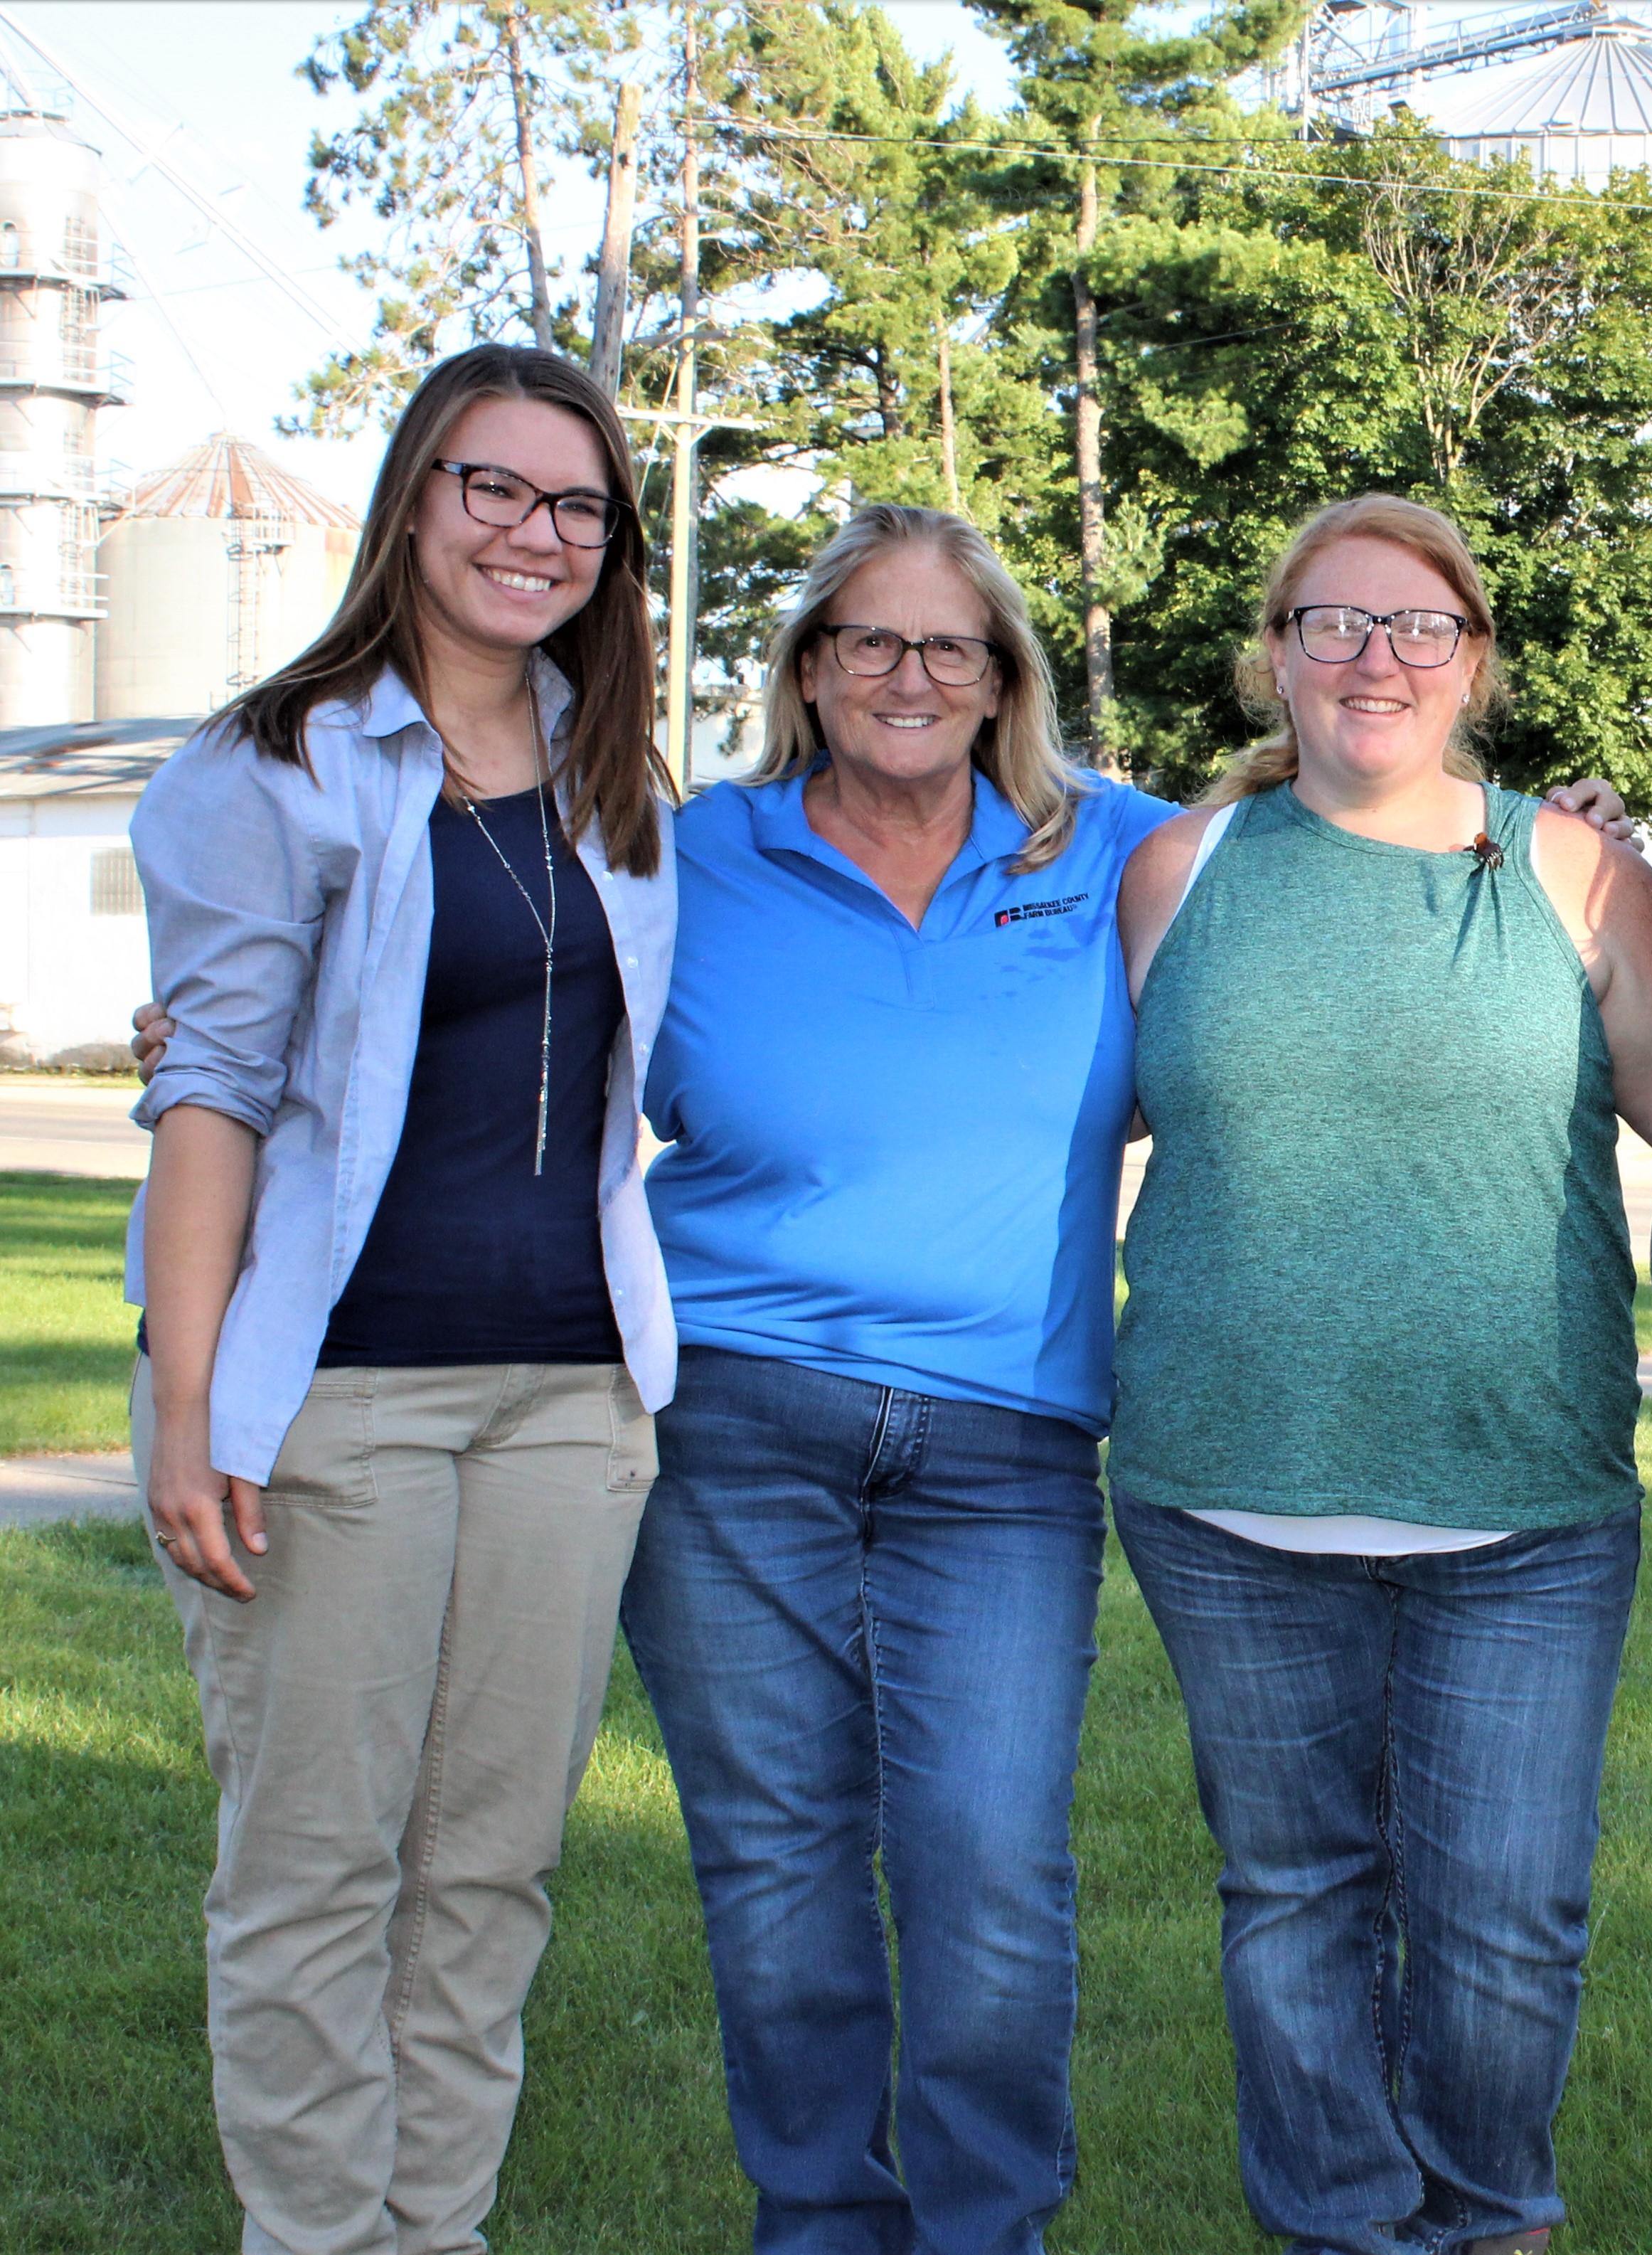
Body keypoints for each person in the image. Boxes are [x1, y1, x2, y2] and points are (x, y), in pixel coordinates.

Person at [124, 342, 676, 2254]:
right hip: (337, 1398)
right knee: (310, 1878)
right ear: (413, 504)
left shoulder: (618, 778)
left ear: (614, 547)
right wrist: (190, 1411)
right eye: (493, 488)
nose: (536, 532)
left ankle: (430, 2237)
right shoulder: (273, 762)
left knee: (487, 1876)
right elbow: (205, 1100)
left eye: (577, 506)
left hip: (567, 1405)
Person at [1103, 493, 1652, 2255]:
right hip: (1226, 1484)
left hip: (1520, 1495)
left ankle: (1492, 2212)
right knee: (1293, 1900)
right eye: (1333, 623)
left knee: (1506, 1916)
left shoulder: (1578, 872)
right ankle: (1342, 2225)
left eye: (1418, 626)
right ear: (1273, 654)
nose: (1375, 657)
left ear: (1475, 663)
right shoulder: (1178, 870)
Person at [613, 504, 1160, 2254]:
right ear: (807, 671)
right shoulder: (690, 855)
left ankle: (985, 2229)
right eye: (870, 642)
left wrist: (1577, 849)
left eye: (950, 647)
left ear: (1005, 677)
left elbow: (1346, 857)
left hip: (1003, 1449)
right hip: (730, 1424)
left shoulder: (1116, 852)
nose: (909, 677)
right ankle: (821, 2223)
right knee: (776, 1859)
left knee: (988, 1864)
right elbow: (467, 968)